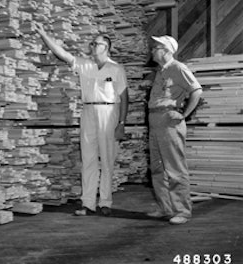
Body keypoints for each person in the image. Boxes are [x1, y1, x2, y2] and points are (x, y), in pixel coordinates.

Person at [35, 22, 129, 216]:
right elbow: (62, 54)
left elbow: (125, 98)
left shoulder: (116, 69)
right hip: (88, 112)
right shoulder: (84, 64)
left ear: (107, 48)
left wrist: (121, 124)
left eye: (96, 44)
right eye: (92, 44)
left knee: (107, 159)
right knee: (88, 158)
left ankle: (105, 202)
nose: (92, 46)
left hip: (109, 112)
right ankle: (88, 203)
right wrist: (43, 34)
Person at [147, 35, 202, 225]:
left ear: (167, 50)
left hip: (169, 120)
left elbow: (196, 91)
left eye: (156, 47)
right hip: (155, 120)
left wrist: (184, 114)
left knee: (175, 168)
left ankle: (182, 211)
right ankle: (166, 208)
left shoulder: (178, 68)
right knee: (157, 167)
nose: (153, 50)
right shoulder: (161, 71)